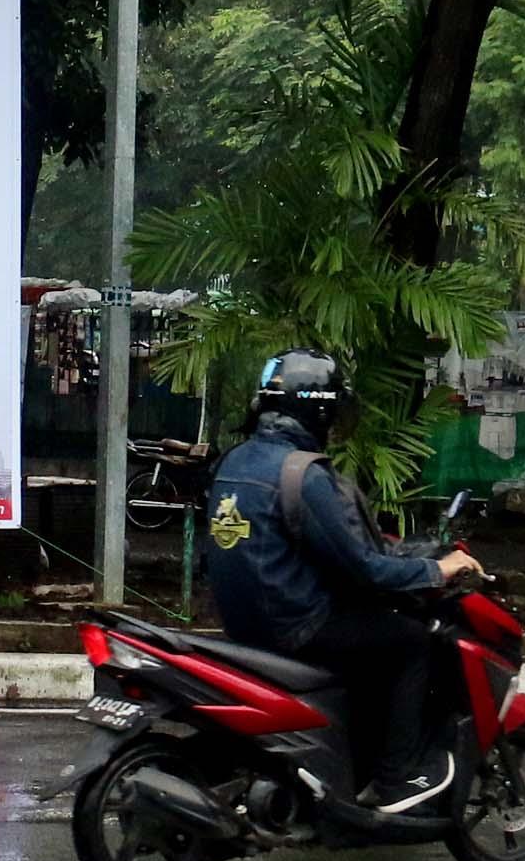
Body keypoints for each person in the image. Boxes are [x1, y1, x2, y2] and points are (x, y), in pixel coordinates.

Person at [204, 349, 484, 814]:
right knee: (412, 642)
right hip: (297, 627)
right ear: (319, 411)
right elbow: (365, 568)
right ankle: (395, 780)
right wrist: (438, 569)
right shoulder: (303, 474)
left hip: (245, 626)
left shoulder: (234, 462)